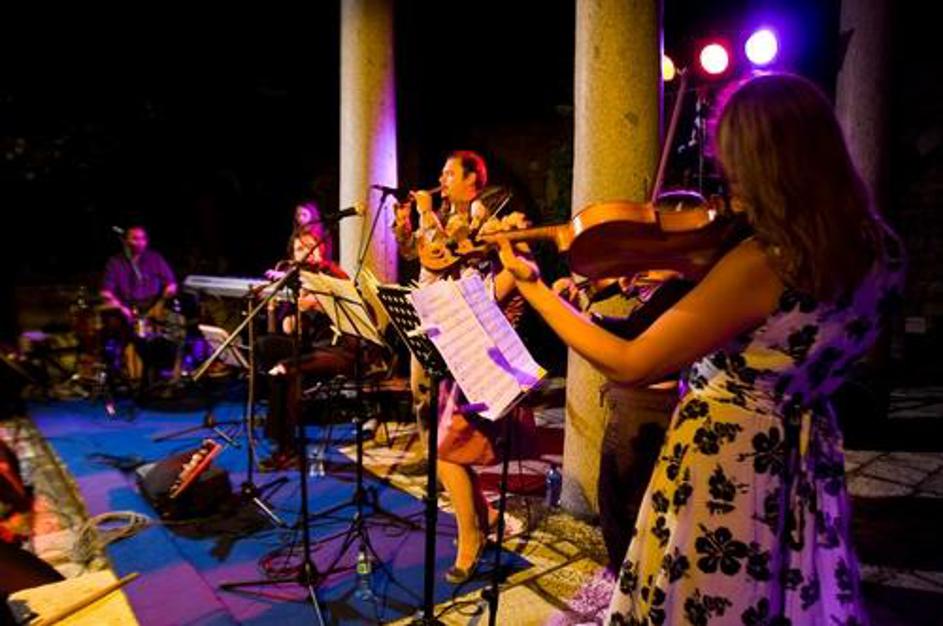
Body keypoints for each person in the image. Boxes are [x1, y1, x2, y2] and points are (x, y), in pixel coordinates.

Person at [498, 72, 905, 624]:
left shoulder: (765, 264)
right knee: (785, 598)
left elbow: (630, 363)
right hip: (805, 450)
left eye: (733, 164)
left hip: (732, 460)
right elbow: (782, 332)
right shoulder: (880, 249)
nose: (726, 179)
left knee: (713, 599)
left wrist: (535, 291)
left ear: (764, 164)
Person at [393, 150, 531, 583]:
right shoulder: (457, 223)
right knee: (447, 446)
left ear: (474, 181)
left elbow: (460, 271)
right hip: (450, 339)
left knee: (448, 451)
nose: (441, 179)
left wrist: (429, 216)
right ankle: (482, 515)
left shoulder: (482, 226)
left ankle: (471, 535)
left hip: (478, 351)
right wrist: (408, 225)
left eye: (449, 173)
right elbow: (424, 257)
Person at [100, 225, 178, 386]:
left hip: (153, 307)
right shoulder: (115, 262)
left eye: (143, 239)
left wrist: (162, 301)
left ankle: (163, 373)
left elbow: (171, 284)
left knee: (171, 330)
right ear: (125, 241)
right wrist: (122, 308)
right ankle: (123, 373)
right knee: (116, 329)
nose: (139, 242)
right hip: (128, 308)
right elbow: (106, 292)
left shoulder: (155, 258)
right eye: (135, 238)